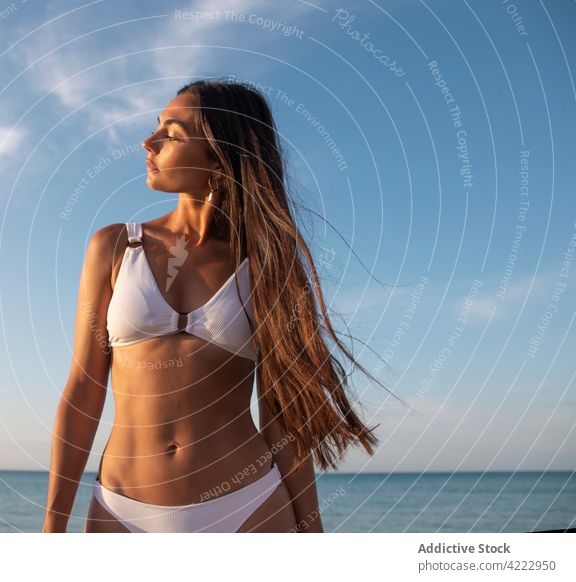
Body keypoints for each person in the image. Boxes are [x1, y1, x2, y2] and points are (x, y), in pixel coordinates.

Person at [42, 78, 381, 533]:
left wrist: (311, 532)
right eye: (156, 126)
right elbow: (84, 392)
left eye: (174, 133)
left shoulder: (266, 263)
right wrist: (52, 525)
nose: (149, 141)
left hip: (248, 507)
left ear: (220, 152)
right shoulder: (117, 246)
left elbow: (281, 415)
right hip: (123, 511)